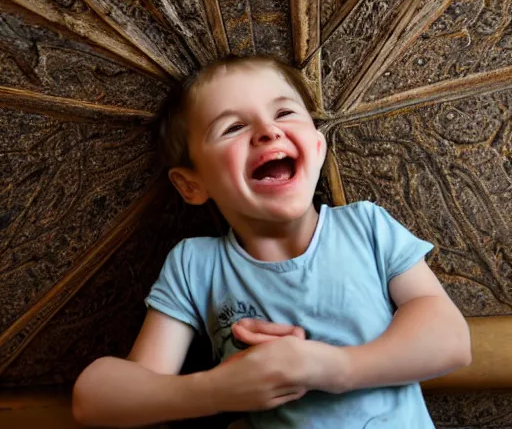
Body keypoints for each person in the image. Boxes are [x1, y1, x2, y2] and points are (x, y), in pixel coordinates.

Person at [72, 55, 471, 428]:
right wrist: (214, 391)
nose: (267, 131)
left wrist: (332, 367)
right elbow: (94, 400)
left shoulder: (365, 227)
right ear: (191, 184)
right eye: (232, 127)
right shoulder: (196, 265)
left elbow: (449, 340)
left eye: (283, 112)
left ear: (317, 146)